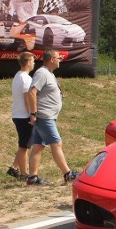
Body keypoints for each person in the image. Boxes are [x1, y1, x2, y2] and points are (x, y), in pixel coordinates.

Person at [24, 49, 79, 185]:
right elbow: (32, 93)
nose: (60, 59)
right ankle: (68, 174)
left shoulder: (49, 73)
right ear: (52, 60)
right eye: (58, 57)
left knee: (38, 146)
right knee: (56, 143)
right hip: (44, 116)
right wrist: (33, 113)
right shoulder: (42, 73)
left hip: (47, 116)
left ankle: (33, 178)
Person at [8, 51, 35, 180]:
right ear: (28, 62)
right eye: (33, 61)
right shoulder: (25, 78)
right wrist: (32, 114)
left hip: (18, 113)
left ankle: (16, 169)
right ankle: (22, 172)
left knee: (24, 144)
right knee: (24, 146)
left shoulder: (18, 76)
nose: (34, 63)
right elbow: (27, 98)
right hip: (24, 115)